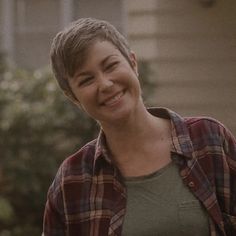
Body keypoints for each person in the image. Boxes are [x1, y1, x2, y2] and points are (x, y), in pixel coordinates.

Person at [43, 18, 236, 236]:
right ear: (73, 98)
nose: (105, 84)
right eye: (87, 80)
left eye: (111, 65)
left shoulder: (209, 140)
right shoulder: (72, 181)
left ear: (133, 63)